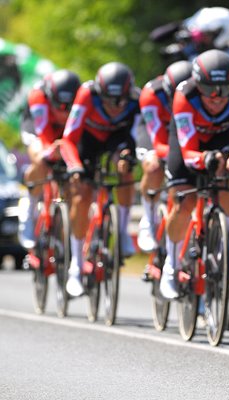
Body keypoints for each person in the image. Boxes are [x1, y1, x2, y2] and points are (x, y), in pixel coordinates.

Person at [160, 49, 229, 299]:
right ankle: (171, 264)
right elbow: (189, 149)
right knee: (184, 201)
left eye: (224, 90)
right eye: (209, 91)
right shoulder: (184, 96)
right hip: (190, 145)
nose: (216, 98)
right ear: (197, 84)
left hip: (223, 140)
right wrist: (204, 159)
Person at [60, 62, 141, 297]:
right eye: (107, 100)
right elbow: (68, 138)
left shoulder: (136, 100)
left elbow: (136, 136)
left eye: (120, 101)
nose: (114, 107)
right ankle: (76, 264)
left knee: (126, 170)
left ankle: (122, 230)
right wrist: (74, 166)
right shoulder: (86, 94)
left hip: (117, 139)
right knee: (82, 193)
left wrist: (128, 155)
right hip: (88, 139)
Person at [18, 69, 80, 249]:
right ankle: (29, 210)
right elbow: (44, 136)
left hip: (63, 133)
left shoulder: (83, 99)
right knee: (41, 160)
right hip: (38, 129)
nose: (63, 111)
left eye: (69, 107)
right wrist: (51, 151)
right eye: (59, 106)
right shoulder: (38, 97)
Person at [136, 60, 192, 253]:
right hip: (156, 132)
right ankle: (149, 219)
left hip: (183, 133)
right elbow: (158, 142)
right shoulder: (151, 94)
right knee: (153, 166)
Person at [150, 6, 229, 74]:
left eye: (205, 34)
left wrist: (183, 57)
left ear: (221, 34)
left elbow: (209, 69)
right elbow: (155, 36)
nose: (200, 39)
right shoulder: (196, 49)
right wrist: (179, 26)